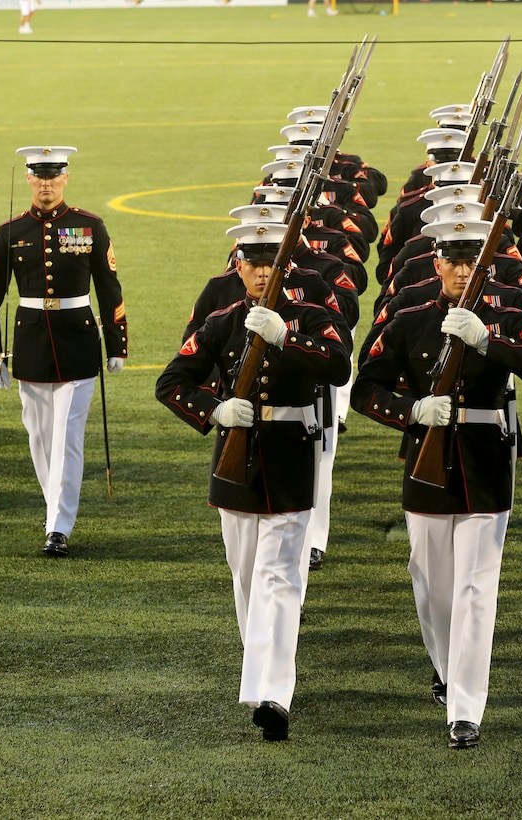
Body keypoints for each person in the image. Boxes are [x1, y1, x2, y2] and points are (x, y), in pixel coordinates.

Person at [351, 219, 522, 750]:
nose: (463, 271)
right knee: (431, 584)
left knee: (475, 590)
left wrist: (489, 342)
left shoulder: (510, 308)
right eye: (454, 260)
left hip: (487, 462)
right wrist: (412, 410)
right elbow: (364, 388)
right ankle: (446, 670)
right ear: (436, 262)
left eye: (474, 262)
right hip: (427, 460)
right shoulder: (410, 313)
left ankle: (466, 708)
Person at [156, 222, 351, 742]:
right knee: (246, 579)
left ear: (286, 268)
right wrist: (216, 410)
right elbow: (171, 382)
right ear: (237, 267)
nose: (263, 271)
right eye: (253, 262)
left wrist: (285, 338)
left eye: (272, 263)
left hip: (290, 460)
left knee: (280, 581)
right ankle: (261, 672)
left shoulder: (311, 316)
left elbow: (337, 364)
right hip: (236, 466)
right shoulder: (221, 321)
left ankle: (275, 693)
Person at [0, 146, 128, 558]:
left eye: (53, 175)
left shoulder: (90, 226)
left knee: (67, 438)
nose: (46, 184)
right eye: (39, 177)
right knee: (40, 438)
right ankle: (54, 512)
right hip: (31, 345)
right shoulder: (11, 232)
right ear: (28, 179)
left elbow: (109, 287)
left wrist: (116, 342)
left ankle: (58, 526)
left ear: (65, 177)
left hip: (77, 342)